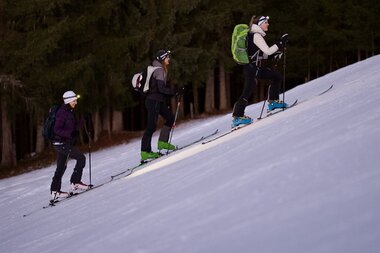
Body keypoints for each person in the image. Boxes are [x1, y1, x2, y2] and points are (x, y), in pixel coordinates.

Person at [232, 15, 288, 127]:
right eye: (266, 22)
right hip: (252, 69)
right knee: (247, 91)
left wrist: (274, 54)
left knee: (276, 76)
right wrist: (280, 43)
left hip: (254, 68)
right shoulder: (256, 35)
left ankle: (273, 102)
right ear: (260, 24)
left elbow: (260, 54)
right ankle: (237, 117)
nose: (268, 24)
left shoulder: (253, 35)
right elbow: (267, 50)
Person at [140, 49, 181, 162]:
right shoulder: (159, 70)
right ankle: (145, 152)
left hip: (157, 101)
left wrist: (174, 91)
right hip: (153, 101)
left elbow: (159, 89)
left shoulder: (157, 67)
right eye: (167, 57)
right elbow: (161, 89)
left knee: (170, 118)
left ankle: (162, 142)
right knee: (151, 126)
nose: (169, 59)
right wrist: (175, 91)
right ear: (162, 58)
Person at [50, 90, 89, 201]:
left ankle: (55, 191)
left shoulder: (69, 111)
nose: (76, 102)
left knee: (61, 167)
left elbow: (72, 128)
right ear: (69, 101)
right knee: (81, 158)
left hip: (61, 143)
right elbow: (57, 129)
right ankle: (75, 182)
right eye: (74, 100)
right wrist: (69, 134)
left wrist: (82, 122)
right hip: (61, 143)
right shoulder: (62, 112)